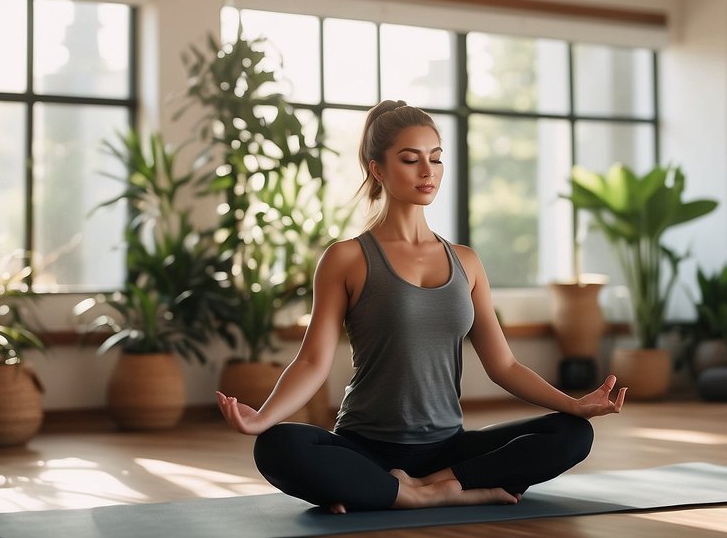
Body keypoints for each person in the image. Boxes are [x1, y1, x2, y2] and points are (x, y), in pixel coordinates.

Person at [216, 100, 626, 513]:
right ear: (377, 169)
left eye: (436, 159)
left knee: (573, 434)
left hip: (447, 449)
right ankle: (442, 493)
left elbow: (504, 366)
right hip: (365, 448)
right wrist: (262, 418)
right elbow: (312, 363)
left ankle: (412, 489)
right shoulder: (346, 258)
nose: (428, 171)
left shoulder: (466, 261)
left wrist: (575, 405)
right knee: (277, 446)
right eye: (410, 159)